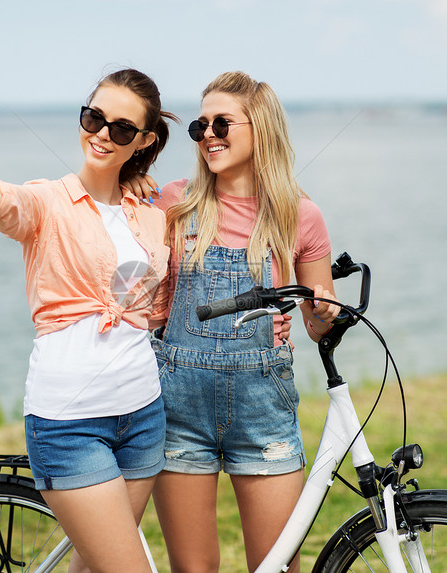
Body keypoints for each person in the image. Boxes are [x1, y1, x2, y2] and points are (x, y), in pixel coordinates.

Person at [0, 68, 177, 573]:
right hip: (69, 424)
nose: (102, 134)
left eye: (121, 129)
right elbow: (1, 200)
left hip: (144, 416)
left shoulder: (150, 211)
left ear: (142, 141)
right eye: (95, 117)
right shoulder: (49, 202)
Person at [126, 71, 340, 573]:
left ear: (260, 127)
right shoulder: (173, 201)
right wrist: (129, 182)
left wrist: (323, 310)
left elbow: (315, 326)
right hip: (179, 408)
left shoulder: (299, 215)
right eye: (199, 127)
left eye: (222, 123)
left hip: (262, 411)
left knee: (276, 567)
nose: (208, 136)